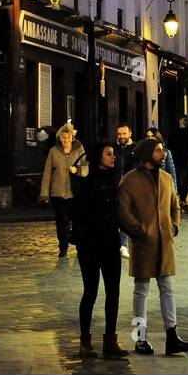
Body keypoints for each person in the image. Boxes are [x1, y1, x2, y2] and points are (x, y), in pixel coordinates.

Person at [118, 137, 188, 356]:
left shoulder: (167, 178)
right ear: (147, 155)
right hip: (143, 242)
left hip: (165, 241)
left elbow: (175, 205)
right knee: (141, 289)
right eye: (159, 151)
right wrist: (138, 230)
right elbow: (123, 211)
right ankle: (140, 338)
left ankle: (172, 335)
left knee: (167, 288)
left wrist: (174, 227)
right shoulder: (129, 181)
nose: (164, 154)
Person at [70, 143, 128, 359]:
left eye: (113, 154)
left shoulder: (114, 181)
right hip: (91, 245)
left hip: (110, 243)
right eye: (108, 154)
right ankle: (85, 341)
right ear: (98, 157)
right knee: (91, 291)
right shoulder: (87, 184)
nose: (113, 157)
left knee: (113, 292)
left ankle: (110, 340)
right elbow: (78, 213)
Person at [38, 122, 87, 258]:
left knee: (77, 221)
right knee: (62, 222)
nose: (66, 141)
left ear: (73, 137)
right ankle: (63, 248)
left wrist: (77, 170)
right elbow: (47, 173)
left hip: (75, 193)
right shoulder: (54, 151)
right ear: (60, 138)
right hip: (58, 193)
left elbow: (86, 168)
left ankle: (79, 246)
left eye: (69, 138)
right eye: (63, 138)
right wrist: (44, 193)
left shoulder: (79, 149)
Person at [168, 117, 188, 212]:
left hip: (186, 159)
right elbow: (170, 144)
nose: (185, 122)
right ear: (179, 121)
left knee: (184, 179)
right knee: (175, 178)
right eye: (184, 120)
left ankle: (182, 199)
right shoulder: (174, 132)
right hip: (176, 159)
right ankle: (175, 197)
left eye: (186, 120)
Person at [114, 124, 135, 257]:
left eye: (124, 134)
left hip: (129, 188)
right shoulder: (113, 148)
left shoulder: (135, 149)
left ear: (130, 134)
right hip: (114, 187)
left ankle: (123, 244)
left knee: (126, 216)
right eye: (119, 134)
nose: (122, 136)